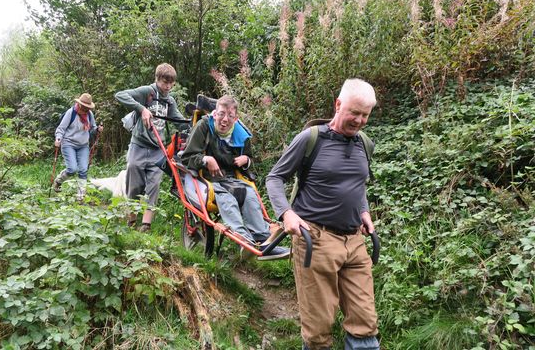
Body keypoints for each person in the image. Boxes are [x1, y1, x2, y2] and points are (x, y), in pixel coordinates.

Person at [266, 79, 380, 350]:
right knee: (318, 330)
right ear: (338, 105)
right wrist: (286, 214)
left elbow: (356, 183)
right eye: (355, 113)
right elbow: (274, 178)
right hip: (315, 239)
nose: (360, 120)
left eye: (365, 115)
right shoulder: (310, 138)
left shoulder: (364, 143)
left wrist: (363, 210)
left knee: (366, 323)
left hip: (354, 241)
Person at [181, 95, 289, 260]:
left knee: (250, 195)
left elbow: (249, 159)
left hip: (230, 178)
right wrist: (206, 159)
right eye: (222, 114)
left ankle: (263, 240)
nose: (225, 120)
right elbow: (187, 157)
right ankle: (244, 240)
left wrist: (246, 160)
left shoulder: (241, 135)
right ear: (215, 114)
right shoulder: (203, 126)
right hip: (205, 178)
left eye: (230, 116)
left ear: (236, 118)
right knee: (227, 200)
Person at [115, 63, 186, 232]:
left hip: (158, 149)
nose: (167, 86)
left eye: (171, 83)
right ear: (157, 79)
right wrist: (142, 109)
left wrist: (195, 127)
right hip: (138, 145)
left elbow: (178, 120)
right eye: (164, 82)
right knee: (135, 185)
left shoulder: (169, 100)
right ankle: (131, 220)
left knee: (154, 185)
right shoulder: (147, 92)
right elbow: (120, 95)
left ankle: (146, 224)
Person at [53, 93, 103, 201]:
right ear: (79, 105)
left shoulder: (89, 114)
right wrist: (58, 139)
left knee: (83, 170)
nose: (86, 110)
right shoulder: (71, 113)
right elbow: (61, 128)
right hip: (68, 143)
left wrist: (97, 129)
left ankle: (81, 197)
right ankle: (58, 181)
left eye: (87, 108)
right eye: (84, 107)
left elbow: (92, 128)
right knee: (72, 169)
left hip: (83, 145)